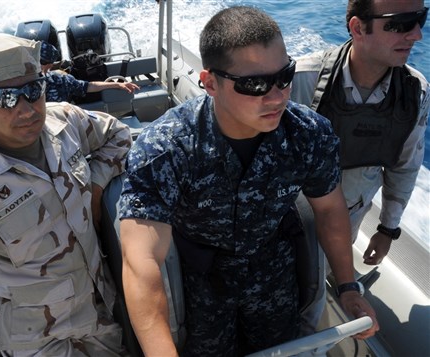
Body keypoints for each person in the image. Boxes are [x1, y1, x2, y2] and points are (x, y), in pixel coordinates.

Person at [118, 6, 379, 357]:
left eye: (284, 77)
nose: (276, 97)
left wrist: (348, 286)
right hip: (201, 286)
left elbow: (330, 208)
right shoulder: (166, 149)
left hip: (275, 278)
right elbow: (141, 261)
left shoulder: (308, 134)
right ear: (210, 83)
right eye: (254, 84)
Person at [0, 33, 132, 356]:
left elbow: (117, 135)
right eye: (5, 98)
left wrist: (95, 187)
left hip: (100, 317)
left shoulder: (65, 122)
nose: (26, 110)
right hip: (39, 343)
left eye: (32, 90)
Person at [291, 0, 429, 266]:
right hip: (290, 220)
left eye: (420, 19)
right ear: (358, 28)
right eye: (400, 24)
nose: (416, 34)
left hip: (351, 221)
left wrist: (388, 228)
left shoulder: (415, 93)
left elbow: (405, 165)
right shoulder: (299, 81)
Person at [39, 41, 139, 103]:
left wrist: (117, 85)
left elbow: (90, 86)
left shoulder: (60, 79)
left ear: (50, 65)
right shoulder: (23, 83)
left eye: (41, 61)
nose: (38, 65)